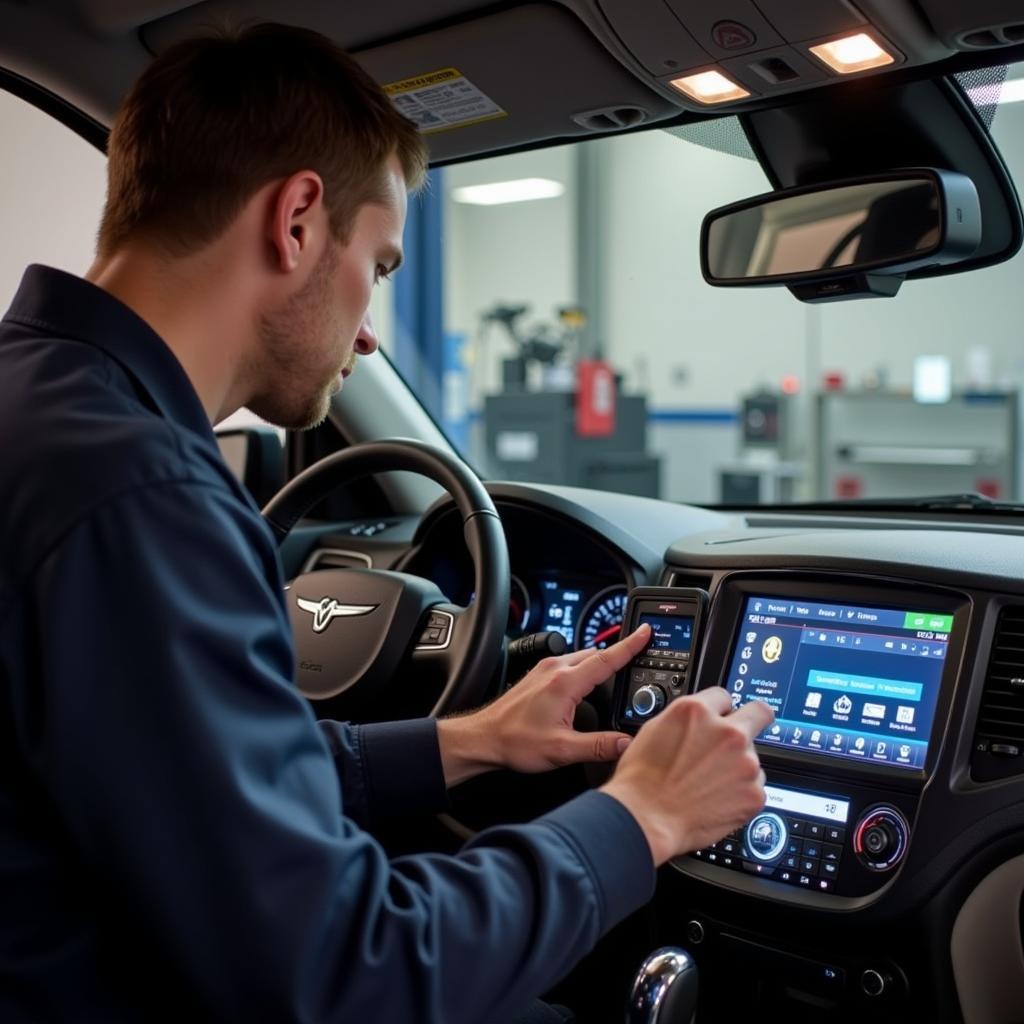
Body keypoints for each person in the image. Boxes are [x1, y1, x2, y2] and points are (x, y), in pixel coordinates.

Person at [0, 23, 773, 1023]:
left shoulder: (42, 410)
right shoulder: (142, 495)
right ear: (298, 219)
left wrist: (468, 741)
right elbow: (346, 971)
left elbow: (179, 774)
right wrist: (643, 814)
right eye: (380, 265)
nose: (368, 328)